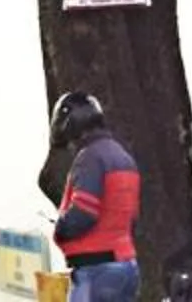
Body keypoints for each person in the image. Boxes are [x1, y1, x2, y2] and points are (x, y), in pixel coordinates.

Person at [51, 91, 144, 302]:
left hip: (96, 269)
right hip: (125, 266)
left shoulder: (90, 158)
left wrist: (61, 227)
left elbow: (84, 213)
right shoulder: (122, 156)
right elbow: (132, 217)